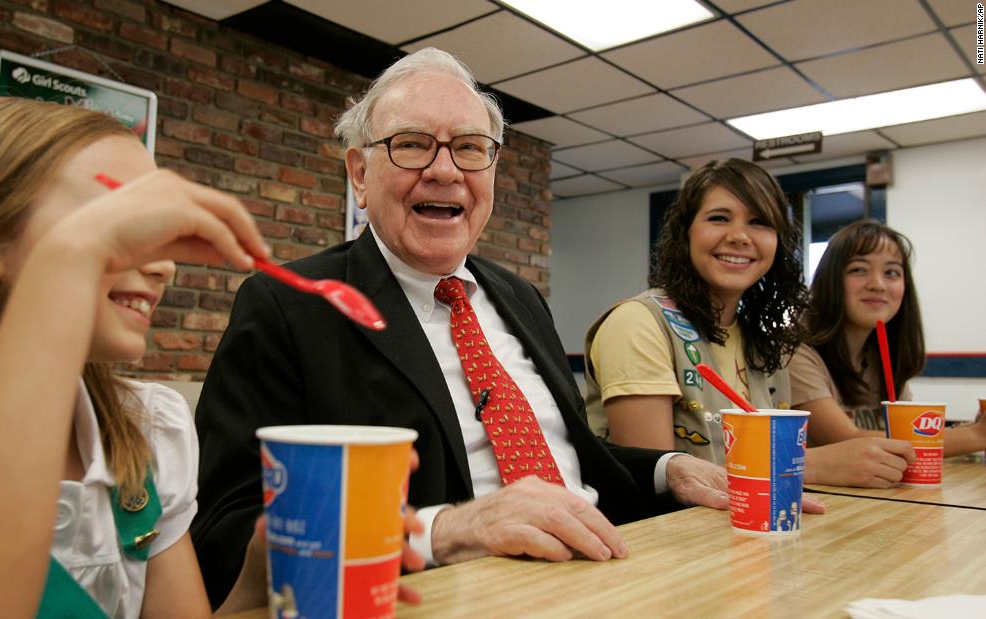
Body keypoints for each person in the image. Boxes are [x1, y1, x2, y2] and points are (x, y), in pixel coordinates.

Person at [190, 47, 785, 607]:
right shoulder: (287, 306)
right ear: (360, 175)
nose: (445, 171)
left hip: (612, 580)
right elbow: (226, 529)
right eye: (412, 144)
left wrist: (668, 469)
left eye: (471, 148)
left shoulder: (521, 298)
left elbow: (575, 460)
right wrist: (444, 529)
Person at [0, 96, 275, 618]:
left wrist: (256, 586)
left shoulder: (145, 431)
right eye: (115, 218)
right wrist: (65, 271)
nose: (165, 265)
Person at [584, 160, 916, 488]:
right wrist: (809, 465)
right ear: (685, 234)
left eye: (759, 222)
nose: (740, 236)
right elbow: (656, 477)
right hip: (662, 536)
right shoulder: (637, 322)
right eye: (719, 218)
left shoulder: (764, 342)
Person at [790, 219, 986, 459]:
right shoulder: (795, 352)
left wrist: (970, 430)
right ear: (830, 280)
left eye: (891, 273)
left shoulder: (884, 354)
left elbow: (905, 434)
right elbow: (848, 441)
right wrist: (975, 436)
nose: (878, 285)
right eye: (858, 269)